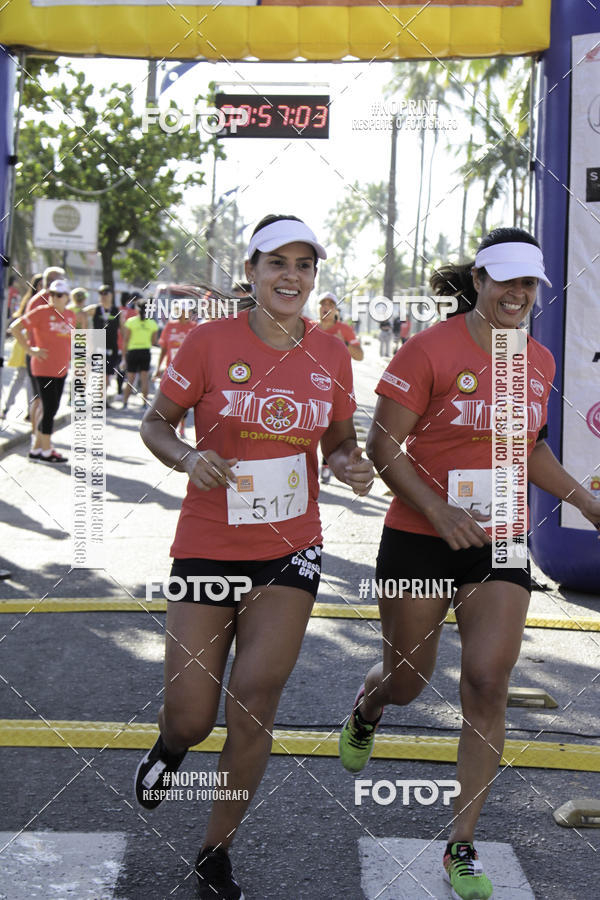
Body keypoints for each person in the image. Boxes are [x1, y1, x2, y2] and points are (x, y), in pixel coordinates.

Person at [338, 228, 600, 900]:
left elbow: (529, 450)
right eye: (505, 280)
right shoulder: (429, 350)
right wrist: (438, 510)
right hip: (420, 537)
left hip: (501, 541)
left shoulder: (536, 360)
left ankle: (461, 845)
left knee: (486, 682)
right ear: (478, 281)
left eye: (528, 284)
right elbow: (384, 444)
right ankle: (369, 708)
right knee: (407, 680)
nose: (517, 294)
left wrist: (585, 501)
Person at [135, 214, 373, 900]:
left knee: (255, 704)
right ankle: (172, 749)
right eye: (277, 263)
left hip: (290, 550)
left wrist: (351, 466)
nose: (290, 276)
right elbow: (157, 421)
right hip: (208, 548)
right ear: (252, 272)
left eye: (304, 265)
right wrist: (187, 455)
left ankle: (216, 851)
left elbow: (338, 440)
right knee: (190, 714)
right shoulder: (209, 342)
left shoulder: (331, 353)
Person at [10, 279, 75, 463]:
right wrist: (30, 350)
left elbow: (68, 340)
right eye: (52, 294)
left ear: (67, 297)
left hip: (61, 369)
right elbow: (15, 328)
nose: (54, 298)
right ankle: (46, 451)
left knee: (52, 409)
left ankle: (36, 449)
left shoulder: (70, 315)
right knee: (49, 409)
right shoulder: (41, 312)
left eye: (59, 295)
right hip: (43, 368)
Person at [314, 291, 364, 483]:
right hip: (310, 384)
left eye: (330, 304)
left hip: (335, 386)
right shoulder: (308, 327)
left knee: (332, 429)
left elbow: (359, 355)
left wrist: (343, 341)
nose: (326, 307)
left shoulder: (345, 329)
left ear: (335, 309)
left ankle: (326, 466)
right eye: (323, 304)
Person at [154, 303, 197, 435]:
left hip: (188, 372)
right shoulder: (170, 325)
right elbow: (163, 348)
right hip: (171, 370)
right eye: (181, 311)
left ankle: (182, 425)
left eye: (187, 311)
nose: (184, 314)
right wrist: (158, 368)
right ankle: (169, 426)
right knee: (170, 399)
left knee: (183, 401)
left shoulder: (195, 327)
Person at [121, 297, 158, 409]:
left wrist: (123, 357)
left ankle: (125, 403)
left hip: (133, 352)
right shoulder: (152, 323)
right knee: (144, 379)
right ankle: (144, 404)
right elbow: (153, 341)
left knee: (130, 379)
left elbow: (126, 340)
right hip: (145, 352)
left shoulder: (131, 322)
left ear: (137, 309)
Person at [92, 284, 122, 400]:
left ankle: (101, 398)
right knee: (100, 375)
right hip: (97, 346)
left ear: (111, 295)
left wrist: (123, 352)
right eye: (101, 293)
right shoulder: (94, 309)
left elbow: (123, 331)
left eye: (106, 293)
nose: (103, 296)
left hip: (112, 348)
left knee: (107, 376)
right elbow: (79, 315)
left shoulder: (117, 311)